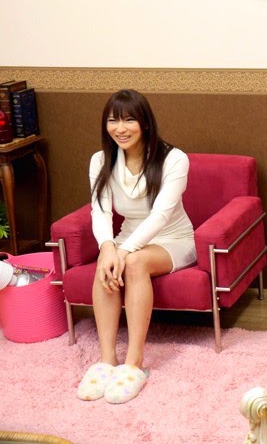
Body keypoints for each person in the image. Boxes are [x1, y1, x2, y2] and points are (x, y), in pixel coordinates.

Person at [76, 89, 196, 404]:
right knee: (106, 265)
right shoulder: (100, 160)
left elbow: (160, 215)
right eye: (113, 121)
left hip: (173, 239)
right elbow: (100, 211)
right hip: (127, 238)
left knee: (133, 262)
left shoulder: (173, 159)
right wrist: (107, 248)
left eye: (129, 120)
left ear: (144, 122)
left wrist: (123, 251)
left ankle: (134, 363)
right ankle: (106, 360)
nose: (121, 128)